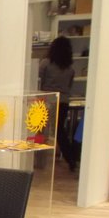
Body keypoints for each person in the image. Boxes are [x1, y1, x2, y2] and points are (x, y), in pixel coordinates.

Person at [39, 35, 77, 171]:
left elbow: (40, 82)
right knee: (60, 131)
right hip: (63, 102)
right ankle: (71, 158)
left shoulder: (46, 64)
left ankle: (40, 160)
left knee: (41, 130)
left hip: (48, 101)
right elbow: (69, 86)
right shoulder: (70, 69)